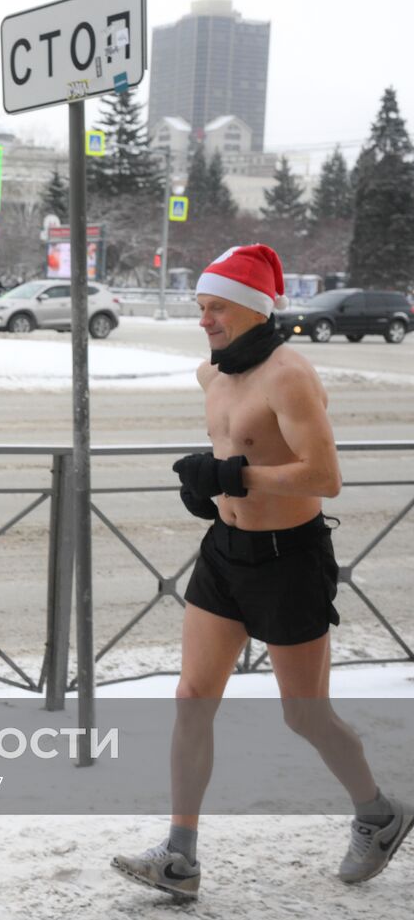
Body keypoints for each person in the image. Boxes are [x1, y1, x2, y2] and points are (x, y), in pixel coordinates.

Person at [111, 244, 412, 900]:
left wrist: (235, 475)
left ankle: (379, 813)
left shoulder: (289, 375)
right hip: (226, 554)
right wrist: (207, 491)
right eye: (200, 307)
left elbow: (325, 476)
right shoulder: (210, 375)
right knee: (192, 697)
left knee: (304, 714)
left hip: (289, 560)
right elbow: (230, 457)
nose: (204, 319)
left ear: (251, 309)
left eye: (214, 307)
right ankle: (180, 856)